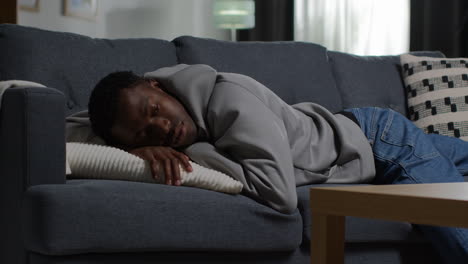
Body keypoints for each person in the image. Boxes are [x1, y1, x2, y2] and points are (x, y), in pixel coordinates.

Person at [87, 64, 468, 263]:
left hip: (379, 142)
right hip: (357, 134)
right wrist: (132, 152)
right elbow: (68, 127)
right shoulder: (148, 112)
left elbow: (279, 194)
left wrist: (195, 155)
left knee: (456, 227)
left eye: (154, 111)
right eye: (143, 134)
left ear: (156, 85)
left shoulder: (227, 98)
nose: (161, 128)